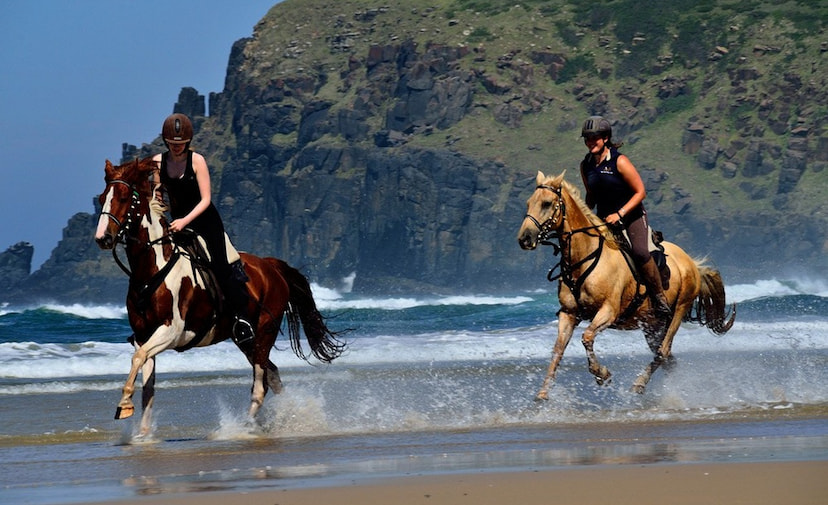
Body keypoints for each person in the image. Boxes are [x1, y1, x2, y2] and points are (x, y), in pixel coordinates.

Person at [153, 113, 256, 353]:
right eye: (172, 143)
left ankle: (241, 319)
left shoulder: (197, 161)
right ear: (166, 141)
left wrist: (183, 221)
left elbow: (206, 200)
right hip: (176, 223)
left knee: (220, 266)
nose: (176, 147)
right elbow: (158, 195)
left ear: (188, 141)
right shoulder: (158, 162)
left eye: (180, 143)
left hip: (204, 222)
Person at [578, 115, 672, 328]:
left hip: (631, 216)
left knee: (639, 252)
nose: (590, 142)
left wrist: (619, 214)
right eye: (587, 139)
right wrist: (584, 215)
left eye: (595, 138)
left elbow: (640, 192)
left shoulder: (619, 161)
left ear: (605, 138)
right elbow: (591, 195)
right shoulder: (586, 165)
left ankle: (659, 298)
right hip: (604, 219)